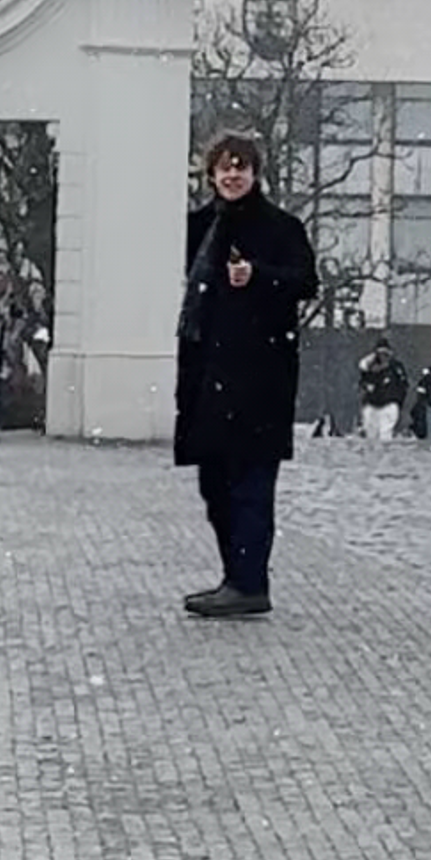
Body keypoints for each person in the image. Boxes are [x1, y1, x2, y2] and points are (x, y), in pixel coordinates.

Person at [173, 128, 317, 618]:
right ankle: (234, 576)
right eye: (224, 167)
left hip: (259, 377)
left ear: (255, 174)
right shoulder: (197, 226)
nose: (233, 175)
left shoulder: (281, 227)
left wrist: (259, 276)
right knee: (215, 483)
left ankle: (249, 581)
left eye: (242, 167)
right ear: (211, 174)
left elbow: (306, 281)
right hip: (207, 373)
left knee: (252, 482)